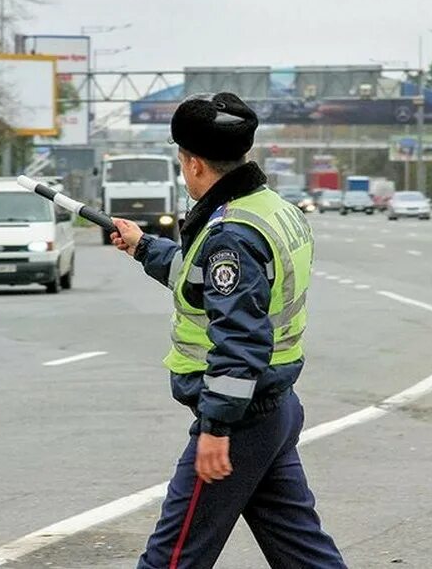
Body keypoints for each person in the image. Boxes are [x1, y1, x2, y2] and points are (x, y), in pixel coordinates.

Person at [110, 92, 346, 569]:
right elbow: (200, 279)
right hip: (274, 406)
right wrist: (142, 247)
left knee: (172, 558)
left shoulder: (231, 234)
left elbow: (240, 339)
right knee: (303, 554)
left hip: (241, 421)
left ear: (195, 164)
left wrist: (216, 428)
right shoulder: (267, 208)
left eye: (181, 162)